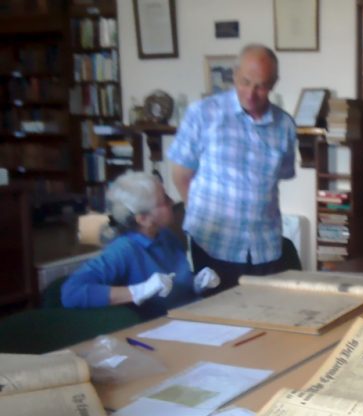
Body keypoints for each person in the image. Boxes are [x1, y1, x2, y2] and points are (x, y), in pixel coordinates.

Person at [168, 43, 300, 291]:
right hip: (214, 242)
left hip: (265, 246)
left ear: (273, 84)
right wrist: (198, 214)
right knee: (219, 322)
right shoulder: (202, 114)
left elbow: (280, 176)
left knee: (266, 316)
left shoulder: (284, 125)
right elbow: (181, 174)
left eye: (260, 86)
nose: (251, 93)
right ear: (234, 75)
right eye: (245, 82)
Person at [61, 171, 220, 319]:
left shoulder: (166, 236)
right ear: (143, 219)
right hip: (159, 331)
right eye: (164, 200)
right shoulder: (123, 250)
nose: (172, 201)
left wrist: (195, 283)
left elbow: (172, 287)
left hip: (191, 317)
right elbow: (71, 293)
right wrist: (138, 291)